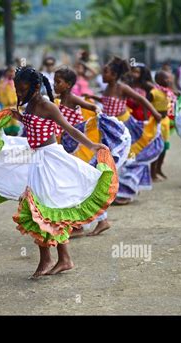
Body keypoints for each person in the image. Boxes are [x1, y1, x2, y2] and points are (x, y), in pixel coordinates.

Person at [0, 67, 118, 278]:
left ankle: (54, 259)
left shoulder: (47, 105)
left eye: (22, 89)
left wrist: (93, 146)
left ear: (36, 86)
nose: (19, 94)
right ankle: (59, 259)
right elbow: (33, 124)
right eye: (17, 89)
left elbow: (70, 129)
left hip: (49, 160)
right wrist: (18, 117)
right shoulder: (30, 104)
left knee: (43, 209)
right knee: (40, 210)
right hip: (35, 158)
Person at [54, 67, 131, 237]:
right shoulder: (57, 101)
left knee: (82, 183)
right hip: (69, 146)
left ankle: (87, 223)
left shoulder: (73, 98)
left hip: (79, 147)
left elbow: (91, 106)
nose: (55, 85)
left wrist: (97, 115)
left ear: (68, 85)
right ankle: (90, 222)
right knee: (79, 183)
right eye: (54, 81)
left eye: (58, 82)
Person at [92, 57, 163, 205]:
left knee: (127, 158)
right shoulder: (107, 88)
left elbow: (142, 100)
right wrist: (91, 98)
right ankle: (113, 191)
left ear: (114, 75)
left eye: (106, 72)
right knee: (113, 158)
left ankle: (126, 191)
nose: (103, 75)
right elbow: (107, 101)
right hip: (109, 128)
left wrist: (155, 114)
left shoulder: (122, 87)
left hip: (124, 127)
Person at [148, 70, 176, 181]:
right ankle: (152, 172)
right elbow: (146, 104)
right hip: (155, 122)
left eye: (169, 78)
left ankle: (159, 169)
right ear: (158, 80)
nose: (168, 80)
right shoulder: (153, 92)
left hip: (165, 121)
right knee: (156, 147)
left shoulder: (168, 92)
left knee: (164, 147)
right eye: (165, 78)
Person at [0, 65, 20, 135]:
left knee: (17, 127)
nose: (11, 73)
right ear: (6, 73)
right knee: (7, 128)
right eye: (9, 71)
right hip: (6, 107)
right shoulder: (2, 83)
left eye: (13, 71)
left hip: (16, 107)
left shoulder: (17, 82)